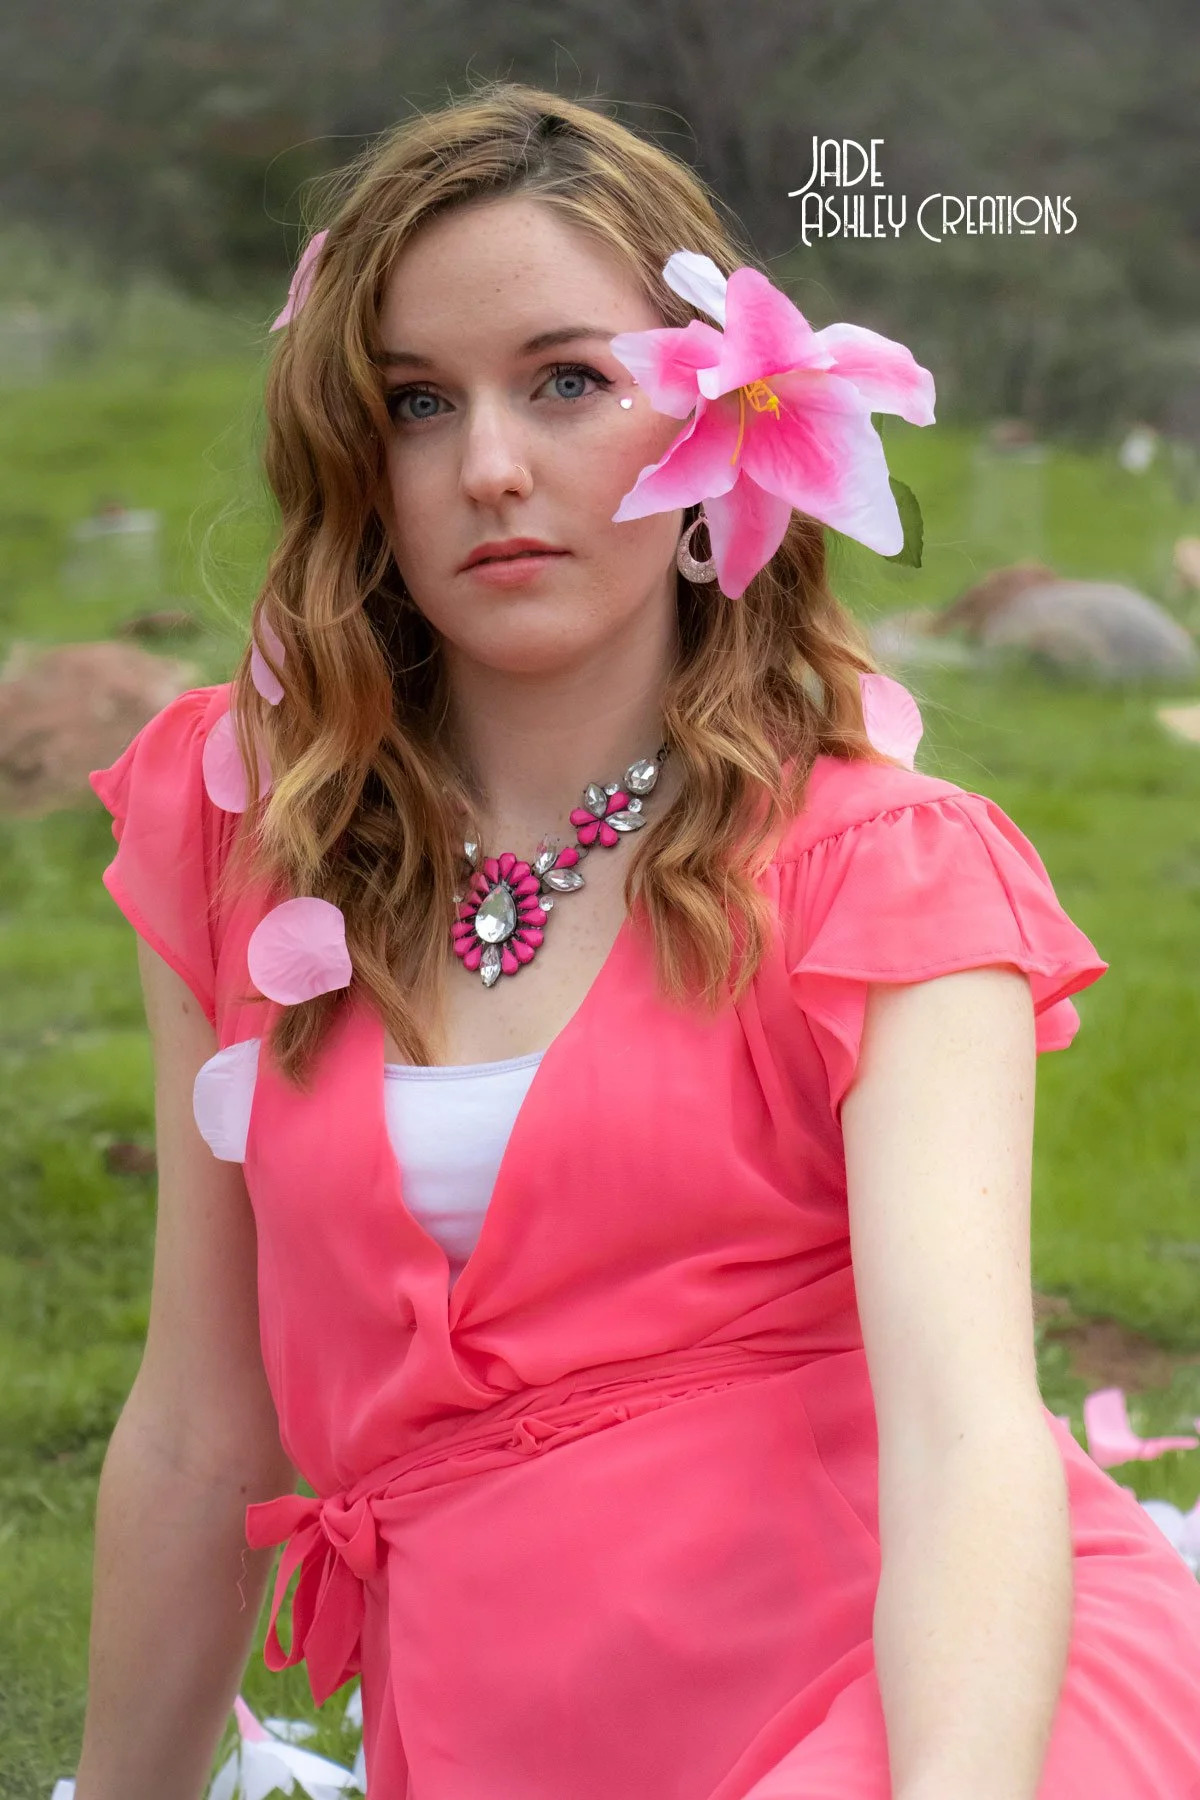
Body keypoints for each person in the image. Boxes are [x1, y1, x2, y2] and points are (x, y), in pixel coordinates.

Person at [75, 81, 1200, 1800]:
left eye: (569, 381)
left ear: (719, 432)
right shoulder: (239, 834)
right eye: (416, 403)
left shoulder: (879, 871)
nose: (491, 464)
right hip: (509, 1740)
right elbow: (195, 1426)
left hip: (933, 1709)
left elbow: (973, 1439)